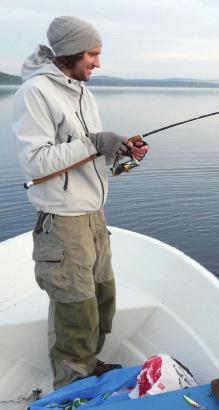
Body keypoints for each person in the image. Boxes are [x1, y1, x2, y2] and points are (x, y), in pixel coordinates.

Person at [12, 16, 149, 389]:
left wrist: (121, 154)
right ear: (71, 51)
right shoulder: (35, 92)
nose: (99, 63)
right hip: (64, 222)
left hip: (94, 216)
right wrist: (94, 143)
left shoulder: (82, 92)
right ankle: (72, 386)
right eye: (93, 54)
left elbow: (83, 157)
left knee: (102, 298)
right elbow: (37, 162)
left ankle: (89, 365)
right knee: (76, 308)